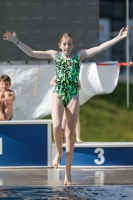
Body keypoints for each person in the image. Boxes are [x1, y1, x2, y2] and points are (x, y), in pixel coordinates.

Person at [3, 27, 128, 185]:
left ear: (73, 45)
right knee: (56, 127)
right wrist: (16, 41)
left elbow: (99, 48)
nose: (67, 47)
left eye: (69, 44)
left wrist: (119, 38)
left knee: (70, 134)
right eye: (64, 44)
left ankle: (68, 174)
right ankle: (59, 152)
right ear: (59, 45)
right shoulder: (55, 55)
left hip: (73, 96)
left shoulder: (79, 55)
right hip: (58, 94)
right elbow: (32, 53)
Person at [50, 76, 83, 143]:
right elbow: (52, 82)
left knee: (76, 118)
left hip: (72, 98)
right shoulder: (60, 74)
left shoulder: (74, 76)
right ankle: (63, 138)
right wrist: (61, 86)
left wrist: (75, 90)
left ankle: (78, 137)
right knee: (64, 119)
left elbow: (79, 85)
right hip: (62, 98)